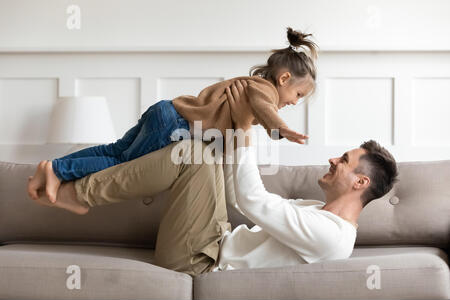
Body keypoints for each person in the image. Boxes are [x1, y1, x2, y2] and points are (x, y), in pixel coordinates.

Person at [32, 81, 399, 276]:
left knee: (192, 154)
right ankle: (71, 184)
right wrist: (228, 130)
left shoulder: (332, 236)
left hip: (200, 260)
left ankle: (80, 194)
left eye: (345, 161)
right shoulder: (317, 211)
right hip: (213, 237)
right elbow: (241, 201)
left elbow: (253, 201)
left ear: (360, 182)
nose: (334, 159)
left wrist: (243, 129)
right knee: (200, 148)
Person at [27, 26, 316, 204]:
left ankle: (53, 166)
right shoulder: (263, 90)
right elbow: (265, 108)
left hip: (167, 111)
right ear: (284, 78)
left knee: (115, 148)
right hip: (175, 125)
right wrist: (280, 129)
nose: (294, 102)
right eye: (298, 95)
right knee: (122, 162)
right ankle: (58, 171)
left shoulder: (248, 85)